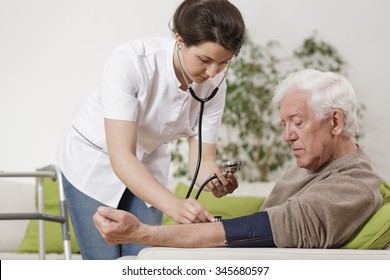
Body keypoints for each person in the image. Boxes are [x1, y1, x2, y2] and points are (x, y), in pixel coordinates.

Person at [93, 69, 384, 249]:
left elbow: (265, 229)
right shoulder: (313, 165)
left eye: (297, 122)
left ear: (335, 122)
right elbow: (262, 223)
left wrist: (143, 233)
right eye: (284, 125)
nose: (287, 136)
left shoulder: (355, 185)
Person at [57, 0, 246, 259]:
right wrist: (176, 206)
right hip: (95, 159)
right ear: (180, 40)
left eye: (224, 63)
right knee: (103, 263)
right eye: (205, 59)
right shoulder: (131, 61)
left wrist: (215, 180)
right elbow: (122, 156)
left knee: (143, 260)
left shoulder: (215, 87)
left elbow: (202, 163)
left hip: (148, 160)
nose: (213, 72)